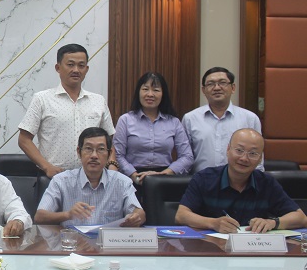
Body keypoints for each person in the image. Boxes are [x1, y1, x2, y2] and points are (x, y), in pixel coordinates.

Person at [175, 128, 307, 233]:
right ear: (228, 150)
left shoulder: (267, 183)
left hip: (253, 251)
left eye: (253, 153)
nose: (244, 158)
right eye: (239, 150)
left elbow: (301, 218)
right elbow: (181, 215)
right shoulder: (204, 178)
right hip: (211, 249)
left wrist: (272, 223)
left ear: (260, 159)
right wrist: (213, 223)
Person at [18, 43, 116, 177]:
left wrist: (112, 166)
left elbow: (109, 141)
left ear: (86, 69)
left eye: (81, 65)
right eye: (70, 64)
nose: (76, 70)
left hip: (93, 178)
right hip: (53, 177)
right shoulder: (42, 99)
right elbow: (24, 139)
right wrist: (46, 167)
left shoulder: (98, 101)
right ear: (58, 68)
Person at [35, 127, 145, 227]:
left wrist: (135, 217)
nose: (94, 155)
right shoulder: (61, 181)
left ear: (109, 154)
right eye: (88, 148)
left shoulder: (122, 182)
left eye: (101, 149)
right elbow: (39, 217)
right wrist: (68, 214)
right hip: (73, 241)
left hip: (107, 242)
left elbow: (140, 213)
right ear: (79, 152)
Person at [114, 72, 193, 186]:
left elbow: (187, 156)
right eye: (145, 89)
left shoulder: (174, 122)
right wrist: (134, 175)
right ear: (138, 92)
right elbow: (117, 154)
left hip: (165, 179)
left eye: (156, 90)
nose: (150, 94)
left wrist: (165, 174)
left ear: (163, 94)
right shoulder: (125, 120)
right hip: (131, 179)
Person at [182, 67, 262, 173]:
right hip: (201, 180)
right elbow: (185, 156)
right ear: (203, 90)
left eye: (222, 83)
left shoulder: (250, 118)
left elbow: (257, 155)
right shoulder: (190, 119)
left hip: (239, 181)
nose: (217, 88)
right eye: (210, 84)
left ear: (233, 88)